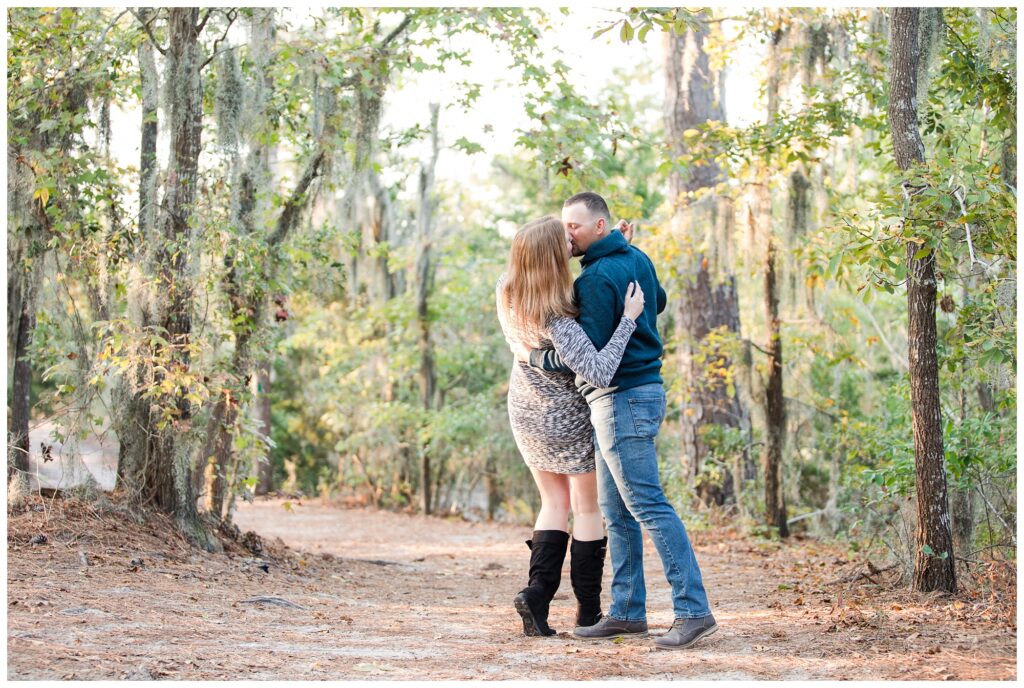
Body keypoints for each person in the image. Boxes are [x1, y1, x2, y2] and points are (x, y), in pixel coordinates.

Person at [517, 191, 717, 650]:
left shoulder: (591, 283)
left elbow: (593, 364)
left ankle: (693, 610)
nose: (568, 234)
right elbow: (658, 301)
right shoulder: (634, 257)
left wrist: (534, 355)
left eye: (575, 226)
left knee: (646, 504)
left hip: (620, 397)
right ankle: (627, 611)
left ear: (600, 226)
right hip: (637, 392)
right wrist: (628, 259)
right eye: (563, 228)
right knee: (617, 511)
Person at [496, 215, 645, 637]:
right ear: (552, 255)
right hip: (566, 414)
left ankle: (537, 596)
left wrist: (615, 244)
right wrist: (628, 318)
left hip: (524, 408)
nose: (574, 243)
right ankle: (588, 612)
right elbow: (598, 369)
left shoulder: (506, 289)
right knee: (587, 508)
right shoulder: (558, 316)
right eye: (567, 240)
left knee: (552, 504)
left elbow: (521, 344)